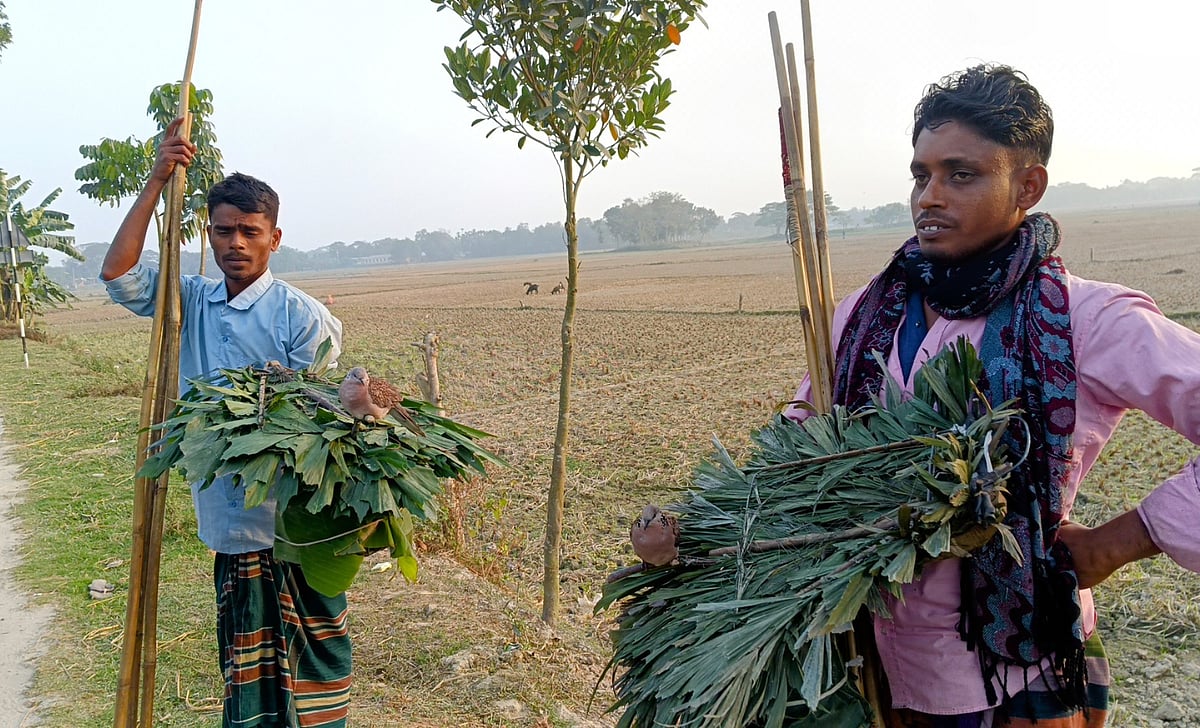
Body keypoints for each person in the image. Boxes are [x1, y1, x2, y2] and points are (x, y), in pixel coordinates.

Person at [787, 64, 1200, 727]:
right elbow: (804, 439)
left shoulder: (1082, 318)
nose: (929, 196)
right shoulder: (866, 311)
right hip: (879, 661)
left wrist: (1124, 539)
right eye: (921, 175)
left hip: (1022, 667)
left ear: (1027, 185)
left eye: (962, 174)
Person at [101, 118, 351, 728]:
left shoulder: (302, 317)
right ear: (207, 236)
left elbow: (321, 420)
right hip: (230, 520)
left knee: (313, 660)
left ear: (273, 238)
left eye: (248, 231)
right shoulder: (187, 299)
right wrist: (159, 178)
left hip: (299, 524)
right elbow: (118, 273)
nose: (234, 243)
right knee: (246, 664)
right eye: (222, 231)